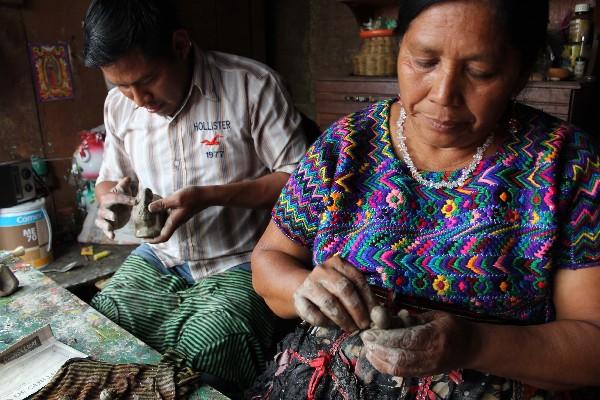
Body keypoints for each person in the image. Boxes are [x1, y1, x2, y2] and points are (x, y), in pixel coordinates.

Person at [249, 0, 600, 398]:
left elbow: (591, 345)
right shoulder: (346, 147)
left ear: (520, 74)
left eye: (480, 71)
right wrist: (305, 289)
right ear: (399, 51)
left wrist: (473, 343)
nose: (443, 94)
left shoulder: (565, 165)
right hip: (324, 379)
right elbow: (268, 262)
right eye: (423, 61)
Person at [81, 0, 309, 392]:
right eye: (122, 86)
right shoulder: (120, 105)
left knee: (202, 360)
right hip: (160, 257)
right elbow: (110, 180)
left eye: (147, 79)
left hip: (240, 259)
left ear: (181, 44)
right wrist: (109, 202)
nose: (138, 99)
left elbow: (300, 183)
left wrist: (209, 196)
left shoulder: (251, 85)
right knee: (101, 333)